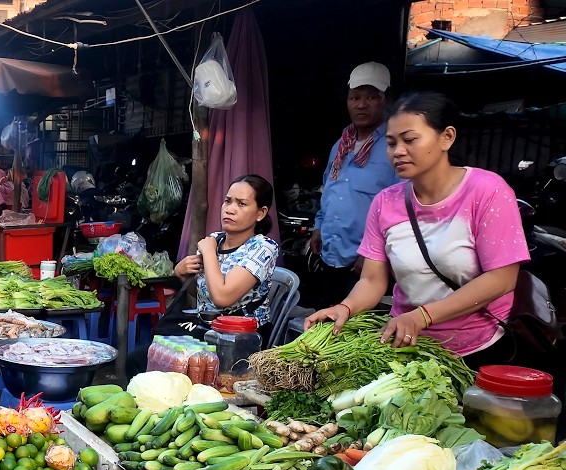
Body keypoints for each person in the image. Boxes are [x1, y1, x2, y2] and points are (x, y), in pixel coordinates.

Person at [305, 92, 531, 367]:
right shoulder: (386, 202)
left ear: (447, 137)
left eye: (410, 140)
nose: (398, 151)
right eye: (391, 143)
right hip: (408, 346)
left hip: (479, 348)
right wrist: (345, 307)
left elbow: (502, 279)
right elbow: (373, 280)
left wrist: (421, 316)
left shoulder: (487, 191)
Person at [309, 62, 400, 308]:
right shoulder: (341, 144)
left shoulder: (395, 147)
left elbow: (401, 208)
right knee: (326, 325)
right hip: (331, 255)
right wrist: (319, 226)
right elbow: (329, 189)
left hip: (367, 264)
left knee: (359, 333)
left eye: (372, 97)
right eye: (355, 97)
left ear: (387, 99)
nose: (361, 105)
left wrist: (374, 253)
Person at [167, 174, 279, 336]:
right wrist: (182, 274)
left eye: (241, 204)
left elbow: (222, 298)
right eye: (227, 201)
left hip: (242, 338)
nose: (230, 209)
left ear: (260, 213)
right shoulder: (214, 240)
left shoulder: (263, 248)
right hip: (206, 329)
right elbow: (207, 293)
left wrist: (209, 253)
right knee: (146, 355)